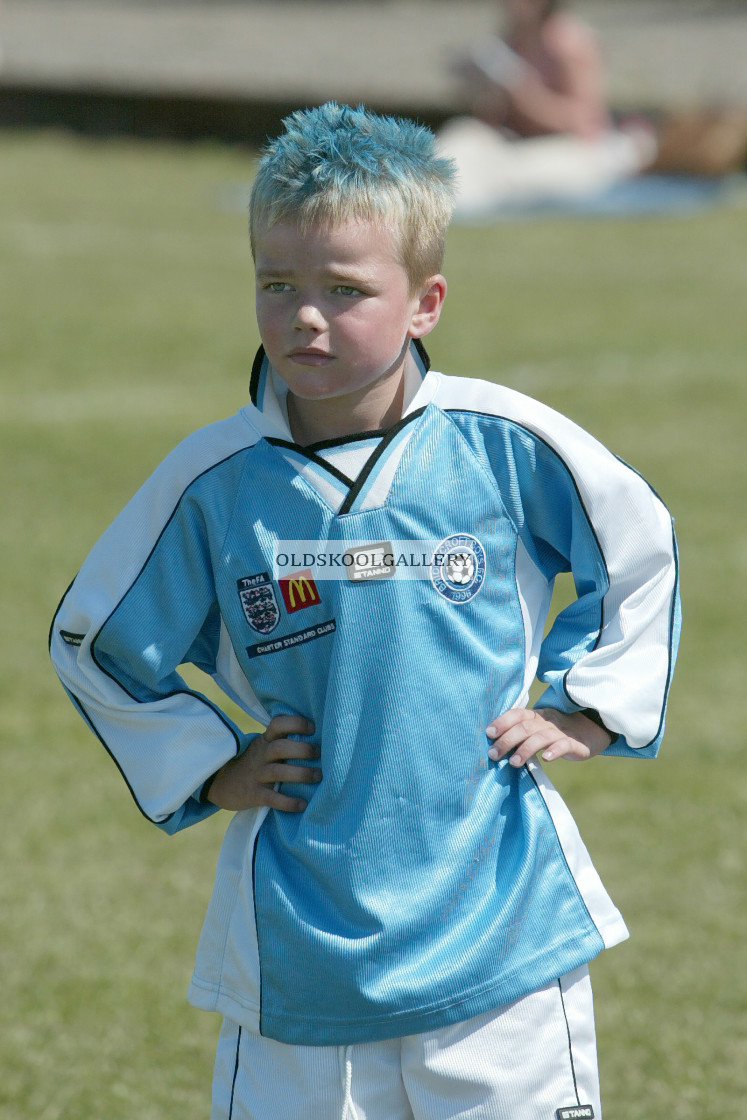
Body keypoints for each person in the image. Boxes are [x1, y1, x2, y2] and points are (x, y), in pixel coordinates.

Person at [50, 102, 680, 1119]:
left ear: (426, 300)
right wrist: (211, 760)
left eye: (345, 291)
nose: (306, 315)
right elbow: (93, 640)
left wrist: (586, 701)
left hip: (500, 922)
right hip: (300, 940)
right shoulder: (214, 481)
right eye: (277, 285)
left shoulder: (503, 441)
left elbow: (638, 545)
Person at [441, 0, 656, 214]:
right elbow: (500, 121)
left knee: (511, 175)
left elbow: (586, 123)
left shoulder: (568, 41)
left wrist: (521, 89)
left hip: (573, 150)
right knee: (459, 138)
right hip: (519, 146)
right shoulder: (510, 39)